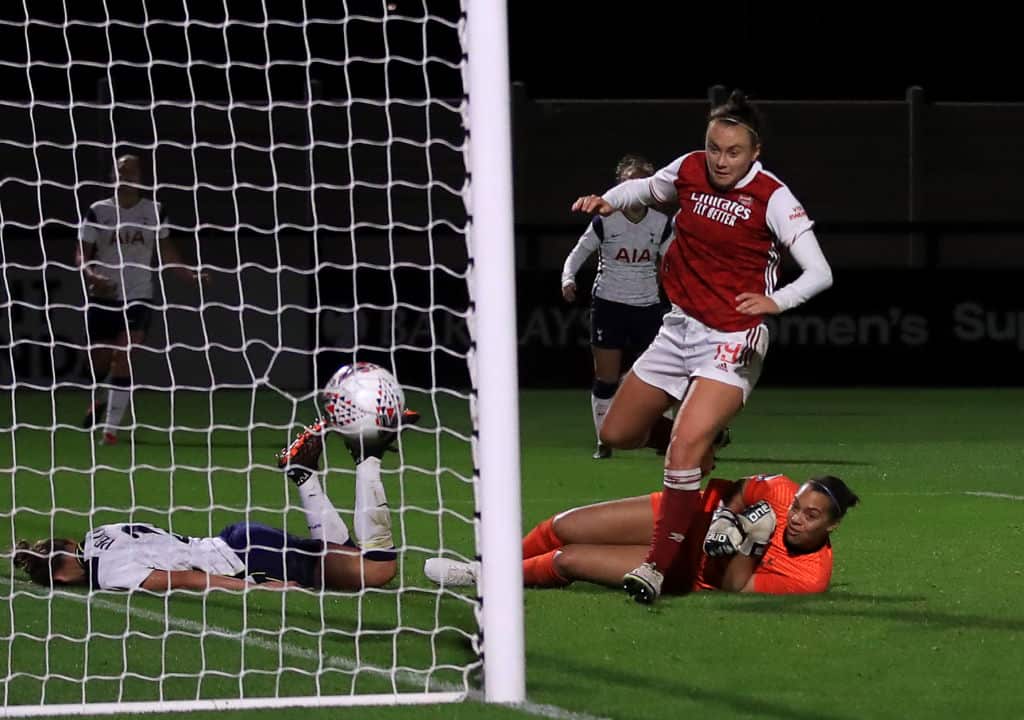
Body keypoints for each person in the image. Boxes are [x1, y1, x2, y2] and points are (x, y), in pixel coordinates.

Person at [570, 90, 834, 603]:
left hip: (734, 336)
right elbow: (645, 189)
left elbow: (820, 271)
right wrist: (609, 200)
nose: (721, 160)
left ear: (754, 151)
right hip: (679, 327)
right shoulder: (689, 169)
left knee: (681, 448)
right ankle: (702, 447)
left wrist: (777, 301)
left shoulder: (774, 197)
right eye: (715, 148)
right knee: (616, 431)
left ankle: (657, 567)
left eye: (733, 151)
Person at [12, 413, 418, 592]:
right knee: (347, 558)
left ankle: (367, 456)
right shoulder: (99, 533)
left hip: (249, 560)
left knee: (377, 570)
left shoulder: (108, 573)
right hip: (235, 540)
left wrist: (256, 589)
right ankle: (303, 475)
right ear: (69, 543)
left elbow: (187, 580)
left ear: (60, 579)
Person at [425, 469, 859, 596]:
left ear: (833, 525)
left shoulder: (809, 578)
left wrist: (754, 541)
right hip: (687, 515)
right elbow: (743, 490)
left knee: (568, 558)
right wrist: (729, 518)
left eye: (811, 516)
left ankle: (486, 578)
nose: (796, 518)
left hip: (687, 570)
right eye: (797, 507)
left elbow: (735, 587)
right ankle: (484, 565)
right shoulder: (781, 491)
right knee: (562, 526)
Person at [76, 154, 207, 446]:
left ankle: (110, 430)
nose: (126, 176)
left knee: (124, 355)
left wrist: (189, 275)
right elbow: (82, 253)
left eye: (131, 172)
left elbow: (167, 252)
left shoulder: (154, 211)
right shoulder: (98, 211)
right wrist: (92, 275)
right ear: (113, 175)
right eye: (121, 171)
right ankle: (101, 395)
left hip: (138, 295)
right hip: (105, 295)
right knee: (100, 361)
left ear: (140, 177)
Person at [561, 154, 674, 459]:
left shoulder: (661, 224)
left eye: (639, 183)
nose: (632, 189)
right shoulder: (605, 220)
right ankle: (604, 439)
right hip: (609, 305)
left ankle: (666, 438)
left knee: (661, 375)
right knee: (606, 378)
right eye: (627, 182)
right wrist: (568, 278)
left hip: (648, 307)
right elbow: (577, 253)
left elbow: (675, 263)